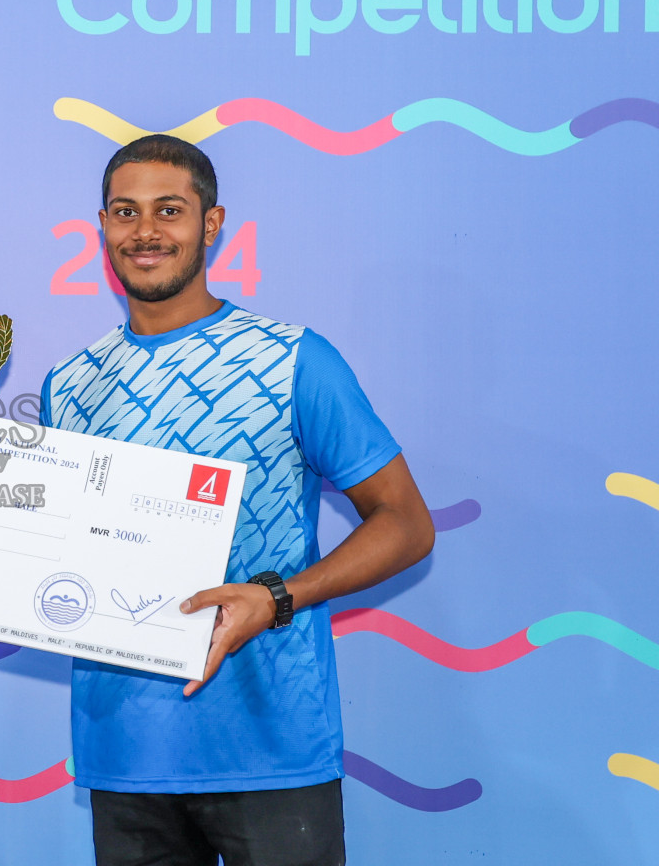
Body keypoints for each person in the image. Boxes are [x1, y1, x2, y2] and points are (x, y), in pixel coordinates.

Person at [39, 136, 435, 866]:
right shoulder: (69, 384)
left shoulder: (292, 359)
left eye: (170, 210)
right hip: (125, 757)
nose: (146, 231)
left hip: (273, 751)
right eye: (126, 212)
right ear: (102, 227)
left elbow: (407, 525)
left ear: (212, 224)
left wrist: (276, 596)